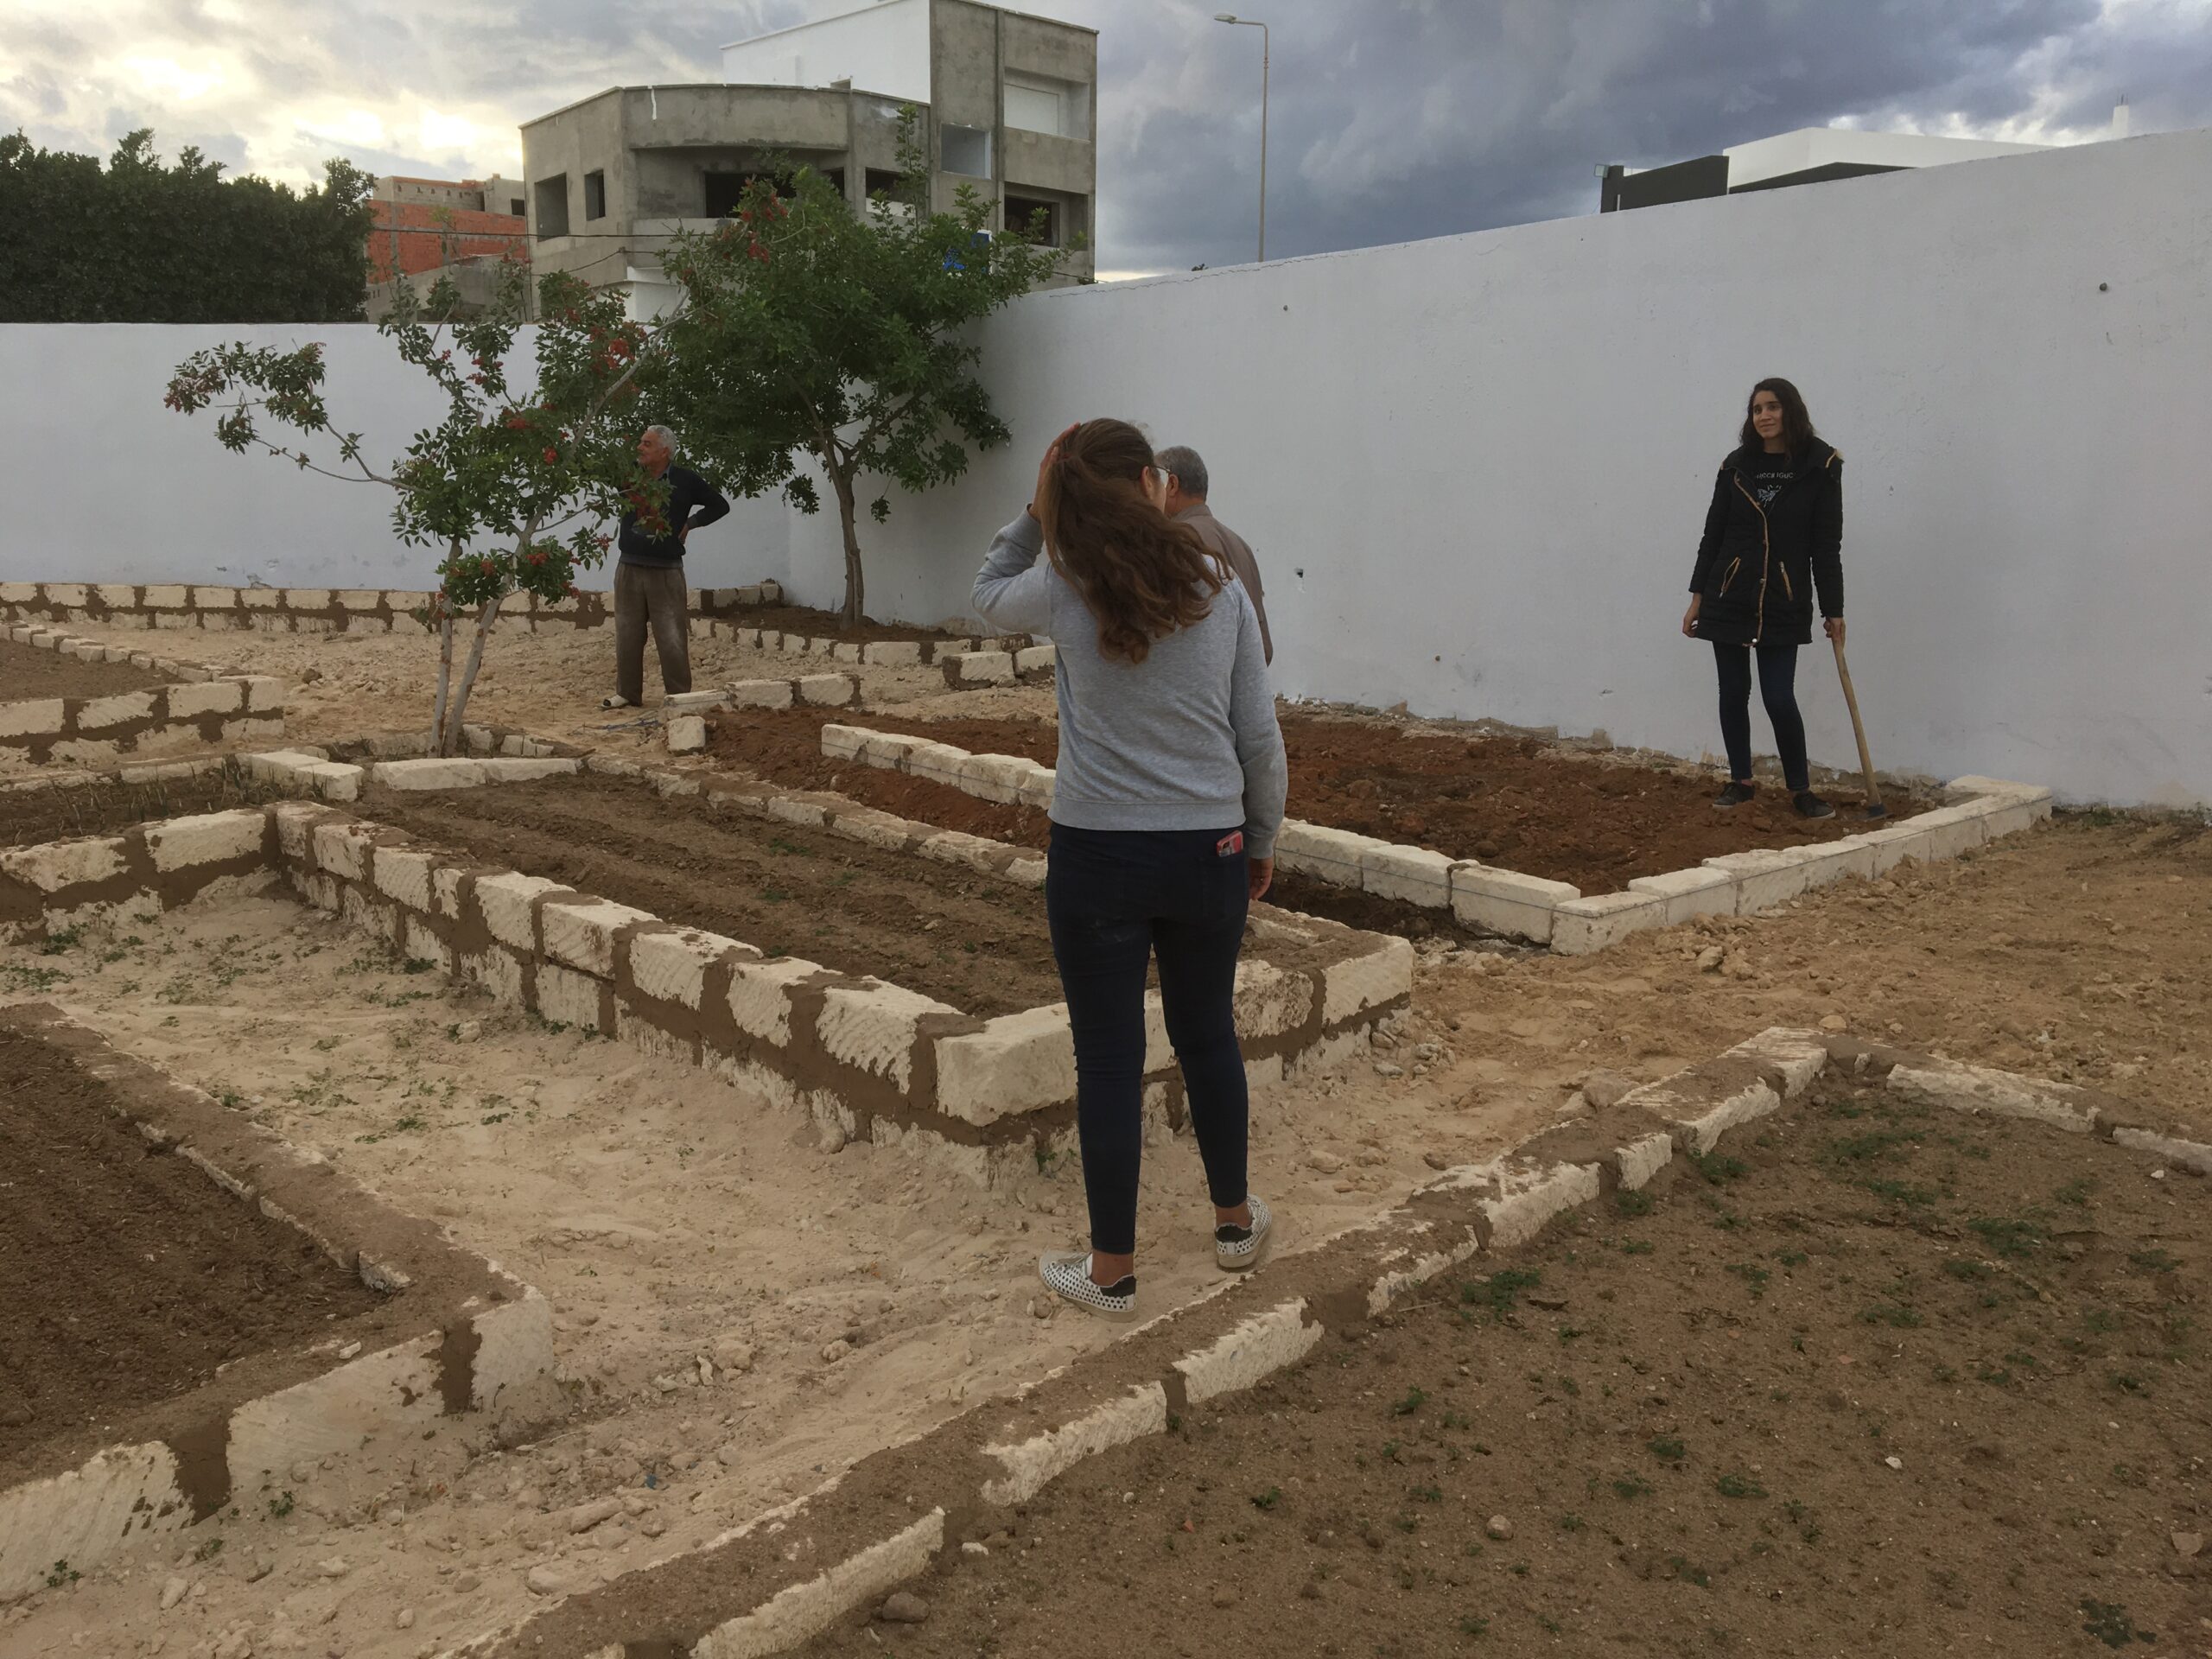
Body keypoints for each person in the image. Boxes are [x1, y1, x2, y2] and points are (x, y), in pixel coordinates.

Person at [975, 419, 1287, 1322]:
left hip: (1098, 853)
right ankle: (1233, 1223)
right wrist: (1259, 837)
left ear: (1064, 493)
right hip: (1208, 850)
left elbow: (984, 593)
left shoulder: (1062, 585)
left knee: (1107, 1060)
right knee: (1207, 1035)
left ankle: (1111, 1273)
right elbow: (1257, 738)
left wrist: (1033, 516)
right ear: (1153, 482)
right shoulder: (1217, 585)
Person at [1682, 378, 1844, 819]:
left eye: (1773, 407)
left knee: (1778, 697)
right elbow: (1712, 535)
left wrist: (1834, 610)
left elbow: (1826, 547)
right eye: (1757, 409)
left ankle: (1801, 790)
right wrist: (1698, 596)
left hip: (1783, 599)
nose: (1765, 416)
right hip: (1728, 595)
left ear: (1791, 411)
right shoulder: (1735, 467)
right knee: (1733, 691)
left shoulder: (1820, 466)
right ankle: (1741, 781)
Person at [602, 425, 730, 710]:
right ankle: (627, 693)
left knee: (671, 637)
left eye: (646, 444)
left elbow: (719, 505)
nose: (640, 448)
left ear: (664, 451)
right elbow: (592, 470)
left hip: (666, 571)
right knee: (627, 633)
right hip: (629, 568)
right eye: (640, 442)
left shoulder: (685, 480)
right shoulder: (629, 476)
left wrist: (691, 524)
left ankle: (679, 696)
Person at [1156, 445, 1273, 664]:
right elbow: (1263, 648)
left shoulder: (1176, 542)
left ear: (1172, 484)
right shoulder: (1241, 545)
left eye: (1155, 480)